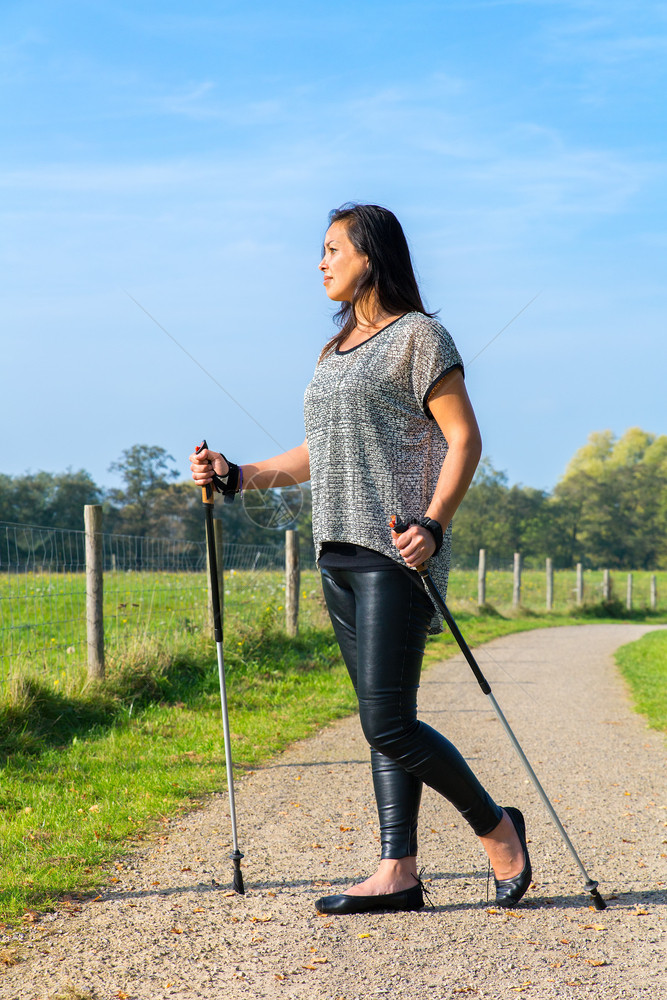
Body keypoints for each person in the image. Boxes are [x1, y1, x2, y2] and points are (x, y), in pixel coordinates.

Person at [189, 203, 531, 914]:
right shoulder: (335, 349)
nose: (320, 263)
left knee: (387, 724)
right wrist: (239, 474)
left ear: (369, 256)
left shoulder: (420, 339)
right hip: (336, 549)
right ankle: (396, 871)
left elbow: (463, 440)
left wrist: (433, 525)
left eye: (331, 249)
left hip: (394, 550)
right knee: (386, 714)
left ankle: (499, 832)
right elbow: (325, 451)